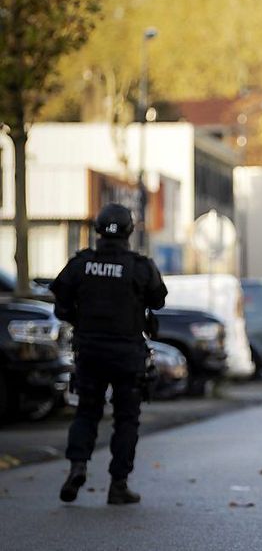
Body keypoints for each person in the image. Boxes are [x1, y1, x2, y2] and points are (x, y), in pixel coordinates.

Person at [49, 203, 167, 505]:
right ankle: (118, 484)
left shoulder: (81, 264)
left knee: (86, 411)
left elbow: (60, 303)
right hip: (128, 354)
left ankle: (78, 466)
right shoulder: (140, 267)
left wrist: (82, 322)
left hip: (90, 351)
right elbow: (159, 300)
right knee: (126, 419)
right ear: (129, 230)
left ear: (97, 229)